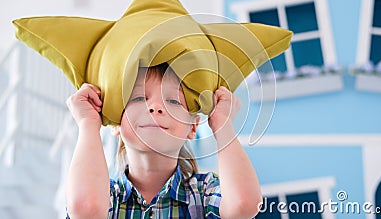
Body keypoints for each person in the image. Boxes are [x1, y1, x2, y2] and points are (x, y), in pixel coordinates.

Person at [65, 63, 262, 219]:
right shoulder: (106, 197)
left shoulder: (204, 192)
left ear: (192, 127)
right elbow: (85, 209)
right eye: (139, 98)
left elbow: (244, 204)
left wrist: (223, 125)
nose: (156, 107)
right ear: (116, 123)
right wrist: (88, 124)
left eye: (173, 101)